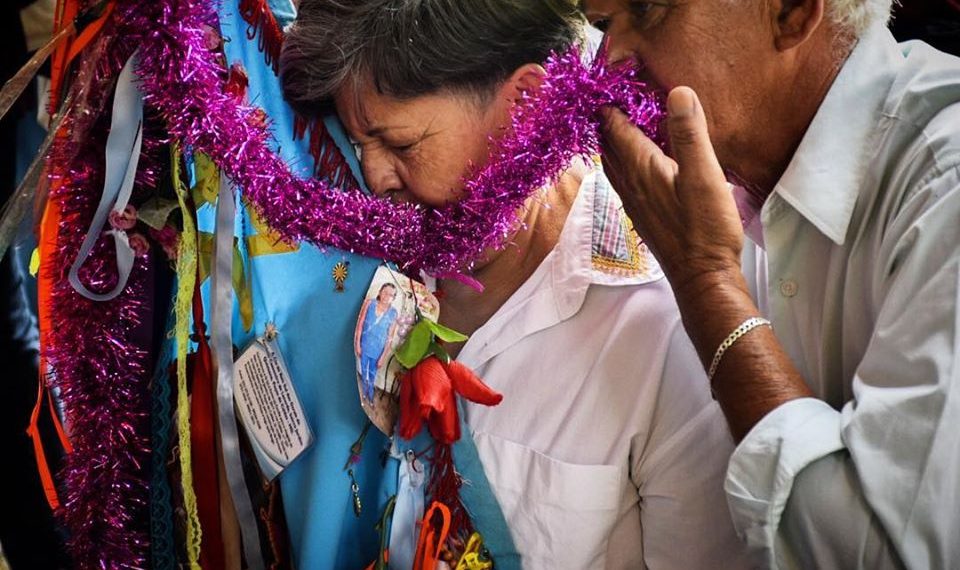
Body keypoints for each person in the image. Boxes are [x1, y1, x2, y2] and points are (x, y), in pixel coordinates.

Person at [281, 1, 750, 567]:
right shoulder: (357, 250)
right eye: (359, 147)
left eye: (402, 146)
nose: (376, 181)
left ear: (526, 104)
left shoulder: (661, 322)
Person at [585, 0, 960, 566]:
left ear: (789, 11)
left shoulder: (944, 180)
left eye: (651, 12)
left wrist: (705, 282)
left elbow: (886, 552)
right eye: (602, 26)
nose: (606, 66)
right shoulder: (732, 173)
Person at [354, 282, 399, 401]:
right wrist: (358, 344)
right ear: (380, 292)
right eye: (385, 292)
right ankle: (364, 391)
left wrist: (383, 357)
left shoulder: (394, 313)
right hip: (365, 344)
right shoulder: (369, 303)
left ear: (393, 298)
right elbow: (360, 324)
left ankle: (371, 393)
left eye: (391, 295)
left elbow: (390, 337)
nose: (387, 296)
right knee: (364, 370)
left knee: (372, 374)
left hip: (378, 350)